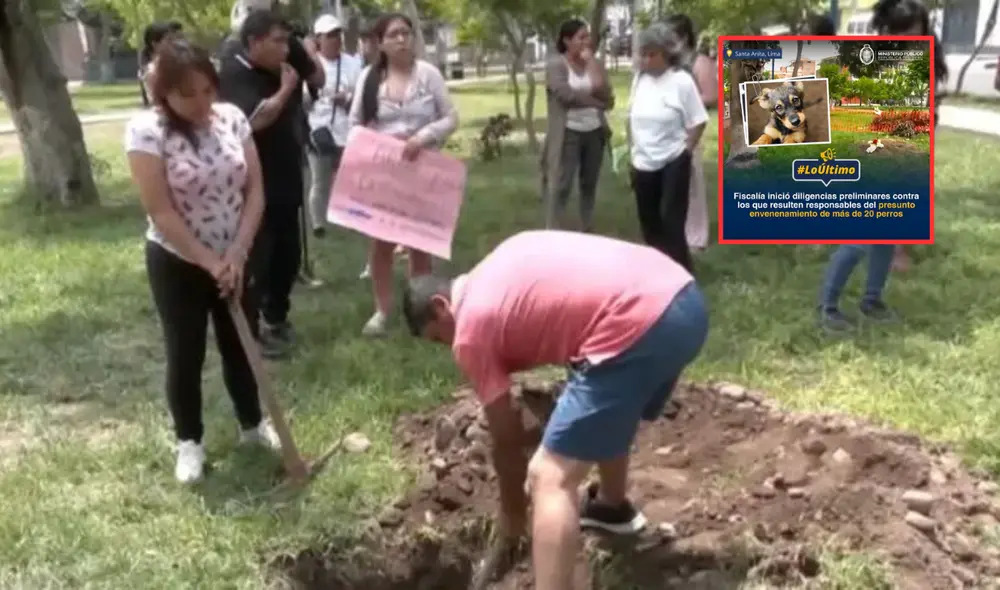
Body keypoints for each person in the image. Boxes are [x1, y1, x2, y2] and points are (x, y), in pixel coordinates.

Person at [401, 230, 709, 590]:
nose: (449, 347)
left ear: (441, 306)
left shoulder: (469, 328)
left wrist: (513, 513)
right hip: (684, 301)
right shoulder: (502, 260)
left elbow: (505, 434)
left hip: (639, 324)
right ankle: (612, 506)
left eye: (440, 337)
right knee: (601, 389)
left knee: (548, 477)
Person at [125, 39, 280, 484]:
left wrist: (236, 254)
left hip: (236, 253)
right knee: (186, 351)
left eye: (207, 90)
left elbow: (255, 191)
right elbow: (161, 210)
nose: (199, 102)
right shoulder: (147, 132)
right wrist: (209, 262)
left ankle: (253, 425)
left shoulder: (231, 119)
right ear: (164, 93)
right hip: (178, 259)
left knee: (241, 342)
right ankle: (189, 442)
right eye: (186, 94)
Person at [218, 9, 323, 359]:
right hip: (252, 182)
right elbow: (256, 120)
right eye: (277, 41)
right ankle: (253, 328)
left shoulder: (287, 58)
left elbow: (319, 78)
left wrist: (304, 59)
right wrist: (287, 89)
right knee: (260, 255)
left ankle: (277, 317)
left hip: (286, 172)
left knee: (288, 254)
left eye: (287, 41)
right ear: (253, 42)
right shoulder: (235, 70)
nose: (284, 48)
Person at [348, 12, 459, 337]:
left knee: (419, 243)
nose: (401, 39)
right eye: (394, 34)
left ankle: (420, 309)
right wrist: (378, 144)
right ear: (380, 42)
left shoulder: (429, 74)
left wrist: (421, 138)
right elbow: (354, 124)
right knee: (381, 243)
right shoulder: (369, 78)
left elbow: (450, 117)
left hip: (423, 171)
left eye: (406, 33)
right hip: (385, 174)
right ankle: (382, 310)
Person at [872, 0, 947, 273]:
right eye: (899, 33)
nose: (906, 40)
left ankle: (901, 250)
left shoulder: (927, 55)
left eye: (914, 34)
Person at [628, 22, 708, 273]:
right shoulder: (639, 80)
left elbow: (698, 121)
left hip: (673, 159)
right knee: (649, 223)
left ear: (667, 54)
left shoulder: (681, 81)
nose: (646, 60)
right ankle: (658, 274)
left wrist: (685, 152)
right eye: (643, 54)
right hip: (642, 161)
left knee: (671, 222)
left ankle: (682, 275)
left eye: (653, 54)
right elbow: (632, 116)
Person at [541, 19, 615, 233]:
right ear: (566, 40)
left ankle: (586, 227)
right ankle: (552, 230)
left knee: (589, 183)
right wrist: (595, 101)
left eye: (588, 36)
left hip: (594, 131)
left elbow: (607, 96)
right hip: (568, 131)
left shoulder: (595, 63)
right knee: (562, 183)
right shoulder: (557, 64)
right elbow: (565, 95)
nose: (587, 41)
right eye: (581, 37)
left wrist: (591, 63)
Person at [305, 14, 363, 238]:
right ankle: (318, 223)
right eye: (330, 35)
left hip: (346, 130)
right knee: (320, 180)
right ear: (318, 39)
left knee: (348, 180)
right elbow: (304, 102)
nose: (335, 39)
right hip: (318, 130)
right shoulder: (310, 66)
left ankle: (349, 218)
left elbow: (360, 96)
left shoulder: (352, 63)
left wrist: (346, 99)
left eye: (338, 34)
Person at [664, 14, 716, 253]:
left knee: (691, 181)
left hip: (689, 128)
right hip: (665, 129)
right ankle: (673, 231)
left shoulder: (699, 62)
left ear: (683, 37)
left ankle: (696, 237)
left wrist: (683, 104)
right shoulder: (668, 61)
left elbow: (711, 96)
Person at [138, 21, 183, 107]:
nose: (175, 43)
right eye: (169, 40)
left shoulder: (173, 65)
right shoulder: (153, 70)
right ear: (155, 44)